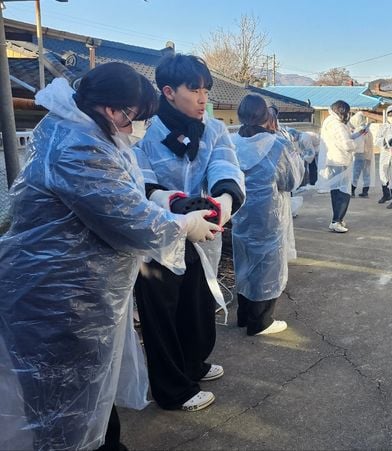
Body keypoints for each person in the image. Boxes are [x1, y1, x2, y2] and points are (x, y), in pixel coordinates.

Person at [0, 64, 220, 450]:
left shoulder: (77, 130)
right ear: (112, 109)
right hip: (60, 300)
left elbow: (124, 200)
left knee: (84, 399)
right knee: (66, 408)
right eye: (133, 117)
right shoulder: (79, 146)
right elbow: (130, 218)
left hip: (71, 293)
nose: (133, 129)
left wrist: (171, 213)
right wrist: (183, 225)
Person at [133, 54, 246, 411]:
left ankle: (192, 364)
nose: (203, 98)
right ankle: (172, 389)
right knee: (160, 313)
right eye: (193, 89)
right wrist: (176, 205)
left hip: (202, 231)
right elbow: (141, 181)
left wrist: (221, 205)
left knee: (195, 306)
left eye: (206, 90)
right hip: (158, 234)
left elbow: (224, 164)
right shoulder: (145, 132)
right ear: (168, 91)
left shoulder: (212, 128)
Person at [232, 95, 303, 336]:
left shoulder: (231, 142)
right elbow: (291, 180)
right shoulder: (276, 145)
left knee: (244, 260)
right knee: (267, 264)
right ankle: (261, 322)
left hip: (239, 213)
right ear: (267, 116)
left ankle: (243, 315)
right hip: (269, 214)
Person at [318, 100, 365, 233]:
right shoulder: (337, 125)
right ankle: (336, 221)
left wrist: (357, 135)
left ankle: (337, 218)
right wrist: (358, 141)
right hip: (340, 161)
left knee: (336, 190)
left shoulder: (330, 121)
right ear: (342, 111)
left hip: (333, 160)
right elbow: (347, 144)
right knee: (344, 192)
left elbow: (345, 138)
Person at [376, 105, 392, 205]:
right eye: (389, 115)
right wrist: (385, 142)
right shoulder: (383, 127)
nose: (391, 117)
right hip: (385, 153)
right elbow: (377, 139)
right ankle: (386, 194)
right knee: (383, 173)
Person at [350, 112, 374, 198]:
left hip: (360, 154)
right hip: (368, 154)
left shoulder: (359, 130)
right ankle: (365, 191)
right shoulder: (368, 130)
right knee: (366, 173)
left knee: (356, 173)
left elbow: (358, 143)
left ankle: (352, 191)